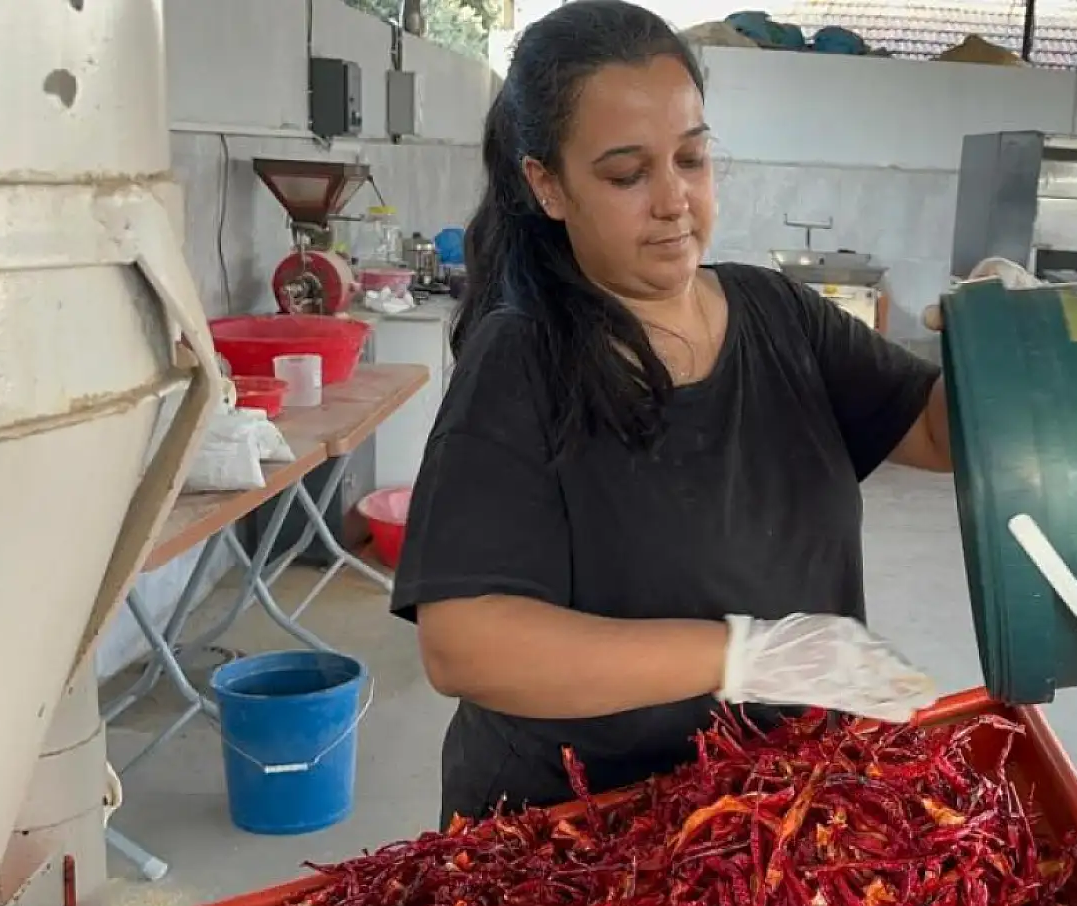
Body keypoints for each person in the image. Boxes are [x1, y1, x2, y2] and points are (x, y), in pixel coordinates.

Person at [390, 0, 963, 829]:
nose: (673, 201)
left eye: (691, 160)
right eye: (627, 175)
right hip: (585, 827)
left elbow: (940, 432)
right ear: (545, 184)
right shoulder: (521, 359)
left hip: (775, 809)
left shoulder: (779, 314)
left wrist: (1005, 342)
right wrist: (746, 653)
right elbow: (466, 642)